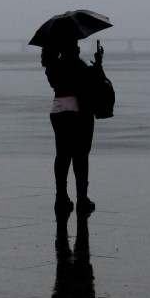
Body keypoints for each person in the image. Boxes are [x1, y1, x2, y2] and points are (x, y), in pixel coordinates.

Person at [41, 39, 104, 214]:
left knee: (62, 155)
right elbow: (92, 84)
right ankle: (82, 199)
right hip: (79, 111)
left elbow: (57, 83)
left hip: (58, 110)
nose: (78, 48)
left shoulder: (52, 65)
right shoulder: (77, 65)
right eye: (75, 45)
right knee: (81, 156)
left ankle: (60, 198)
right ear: (71, 48)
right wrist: (98, 65)